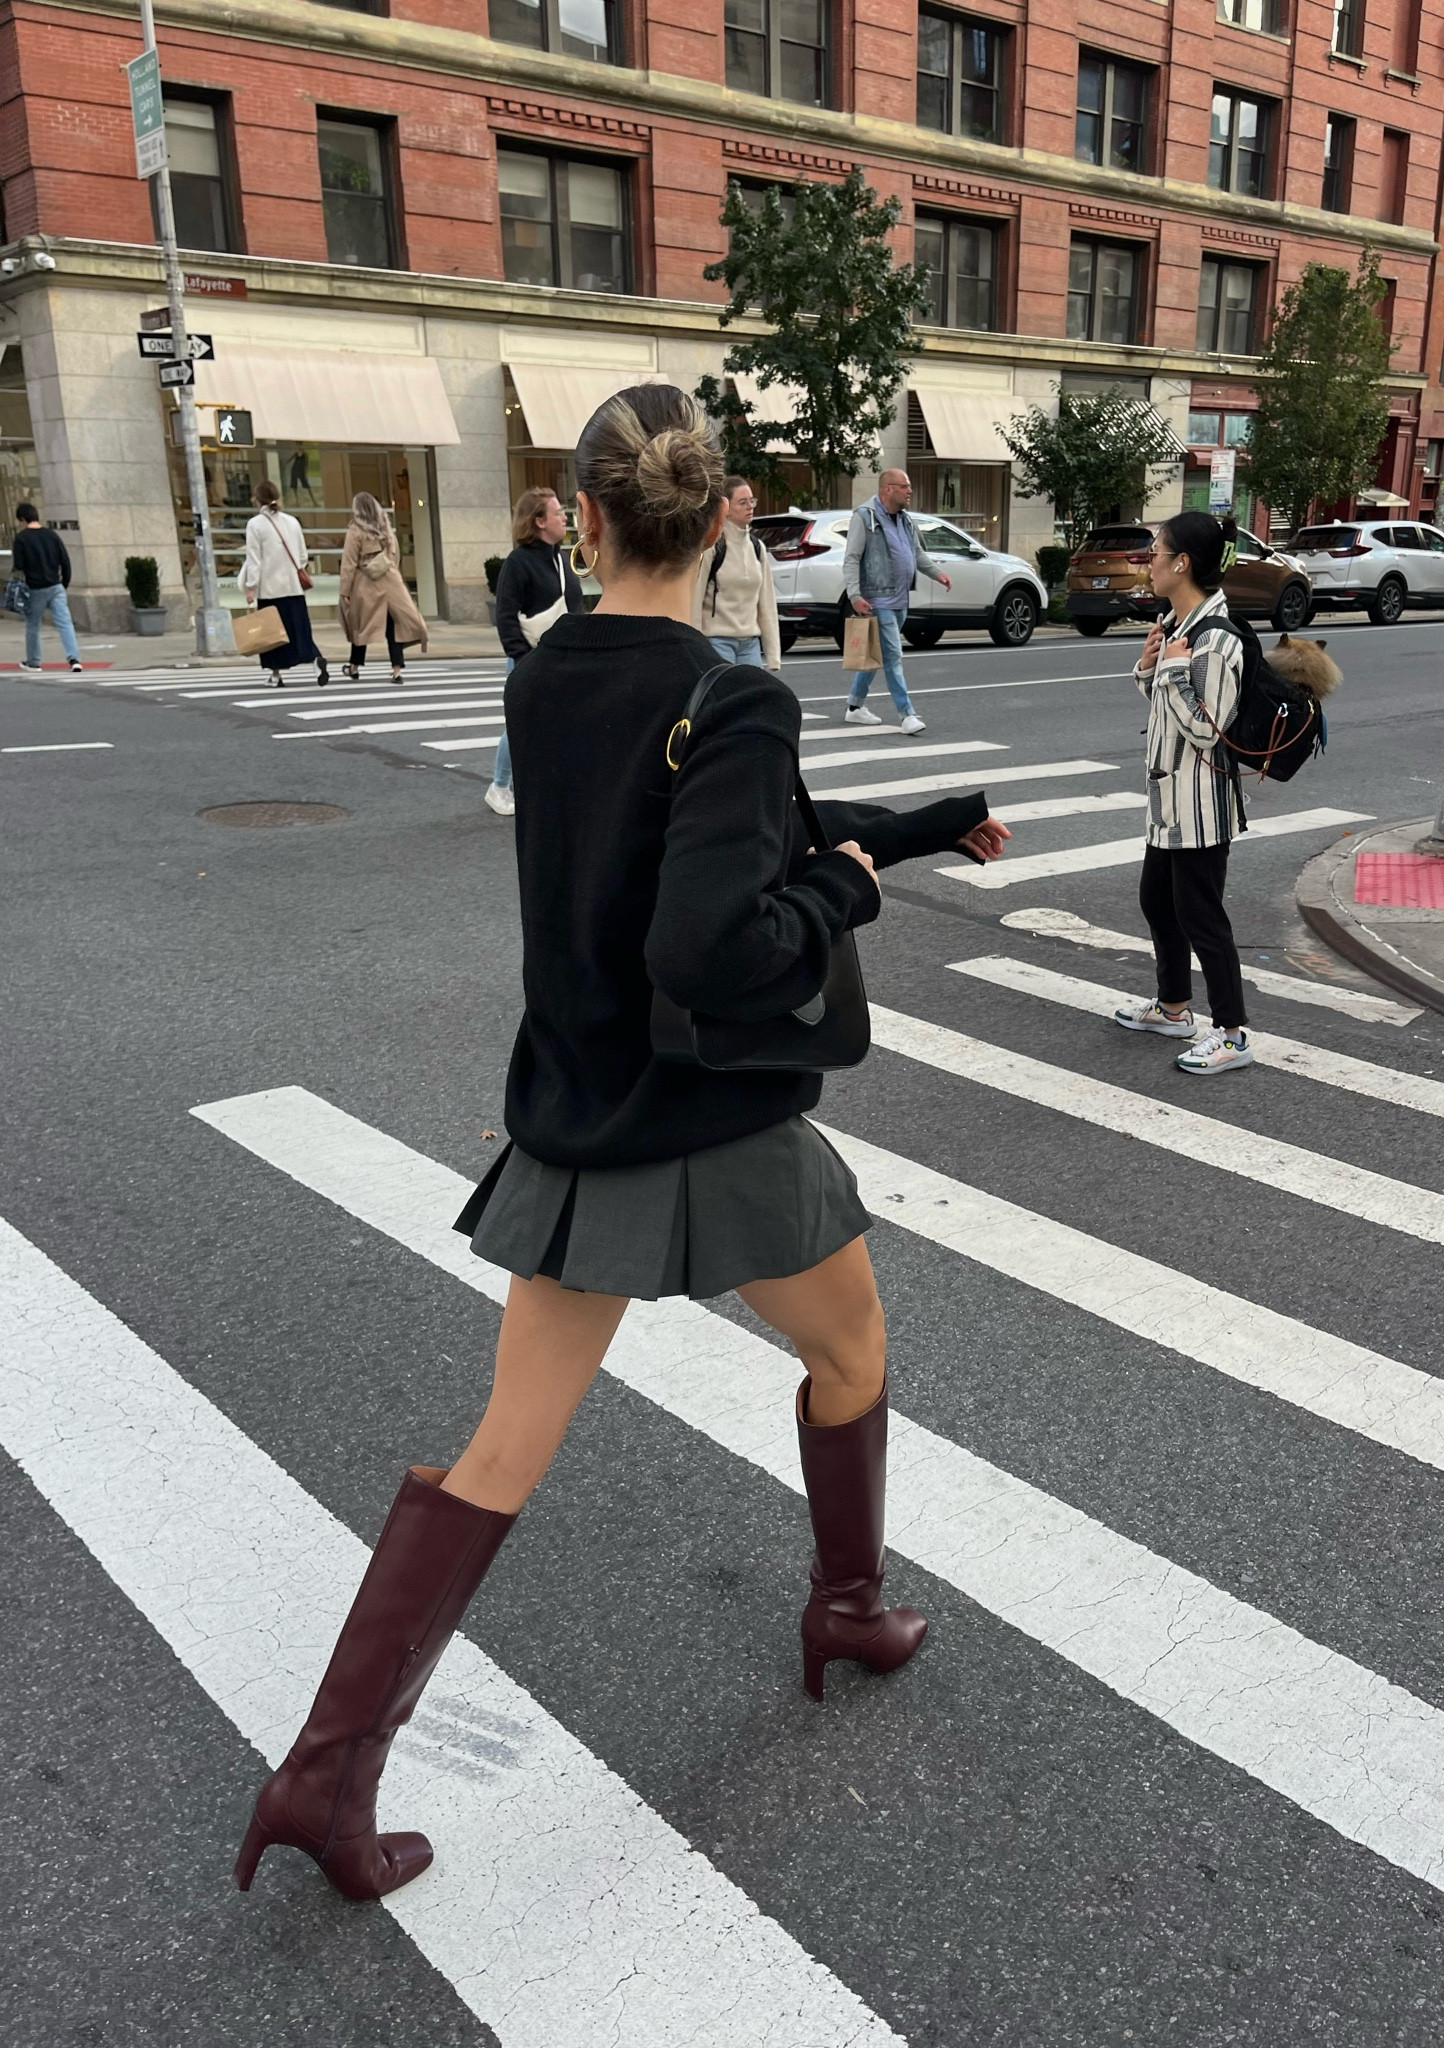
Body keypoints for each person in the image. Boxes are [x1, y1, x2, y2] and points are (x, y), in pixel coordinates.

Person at [233, 383, 979, 1909]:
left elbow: (713, 824)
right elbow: (718, 930)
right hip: (713, 1119)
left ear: (579, 517)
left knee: (503, 1450)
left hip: (576, 1121)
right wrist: (850, 890)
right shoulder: (734, 692)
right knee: (853, 1360)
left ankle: (324, 1774)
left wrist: (906, 825)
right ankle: (846, 1606)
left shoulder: (549, 677)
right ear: (726, 519)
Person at [1114, 511, 1252, 1076]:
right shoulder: (1179, 626)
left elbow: (1207, 730)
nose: (1147, 560)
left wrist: (1170, 673)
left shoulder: (1215, 639)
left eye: (1155, 550)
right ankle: (1173, 1008)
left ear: (1182, 563)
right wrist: (1149, 670)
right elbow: (1168, 710)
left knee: (1202, 918)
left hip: (1199, 806)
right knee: (1157, 901)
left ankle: (1233, 1033)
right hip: (1168, 800)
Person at [486, 488, 581, 816]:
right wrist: (523, 659)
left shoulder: (560, 558)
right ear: (539, 521)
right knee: (522, 725)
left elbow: (575, 609)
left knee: (561, 724)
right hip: (531, 658)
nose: (565, 517)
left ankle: (549, 789)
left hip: (565, 658)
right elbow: (506, 615)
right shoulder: (518, 563)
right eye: (557, 513)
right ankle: (499, 786)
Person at [842, 468, 950, 735]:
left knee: (878, 655)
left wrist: (938, 574)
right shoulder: (864, 517)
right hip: (878, 599)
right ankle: (907, 715)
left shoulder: (904, 519)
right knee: (893, 656)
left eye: (909, 486)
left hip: (901, 600)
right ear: (887, 488)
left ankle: (855, 707)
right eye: (904, 486)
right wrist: (855, 595)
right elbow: (852, 558)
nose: (909, 491)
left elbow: (916, 553)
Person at [239, 479, 329, 689]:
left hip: (270, 590)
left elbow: (254, 560)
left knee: (271, 635)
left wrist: (251, 587)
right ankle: (315, 660)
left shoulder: (255, 524)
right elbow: (303, 556)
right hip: (294, 588)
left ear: (257, 499)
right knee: (300, 631)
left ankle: (276, 675)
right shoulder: (292, 522)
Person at [337, 492, 428, 685]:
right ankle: (396, 670)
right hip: (390, 582)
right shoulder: (386, 527)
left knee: (361, 625)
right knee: (394, 627)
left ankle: (354, 667)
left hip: (365, 583)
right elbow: (394, 555)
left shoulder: (355, 531)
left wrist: (345, 590)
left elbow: (349, 562)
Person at [692, 474, 780, 669]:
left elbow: (767, 604)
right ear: (726, 508)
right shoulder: (713, 547)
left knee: (754, 698)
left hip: (750, 643)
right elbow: (695, 598)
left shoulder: (758, 548)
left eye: (752, 501)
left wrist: (773, 656)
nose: (750, 506)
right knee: (723, 697)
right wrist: (694, 647)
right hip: (716, 641)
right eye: (742, 502)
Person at [11, 505, 83, 674]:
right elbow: (65, 561)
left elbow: (19, 566)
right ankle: (74, 659)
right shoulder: (52, 535)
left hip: (35, 588)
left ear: (22, 519)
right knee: (65, 623)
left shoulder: (21, 539)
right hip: (55, 586)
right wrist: (63, 583)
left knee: (33, 625)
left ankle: (34, 662)